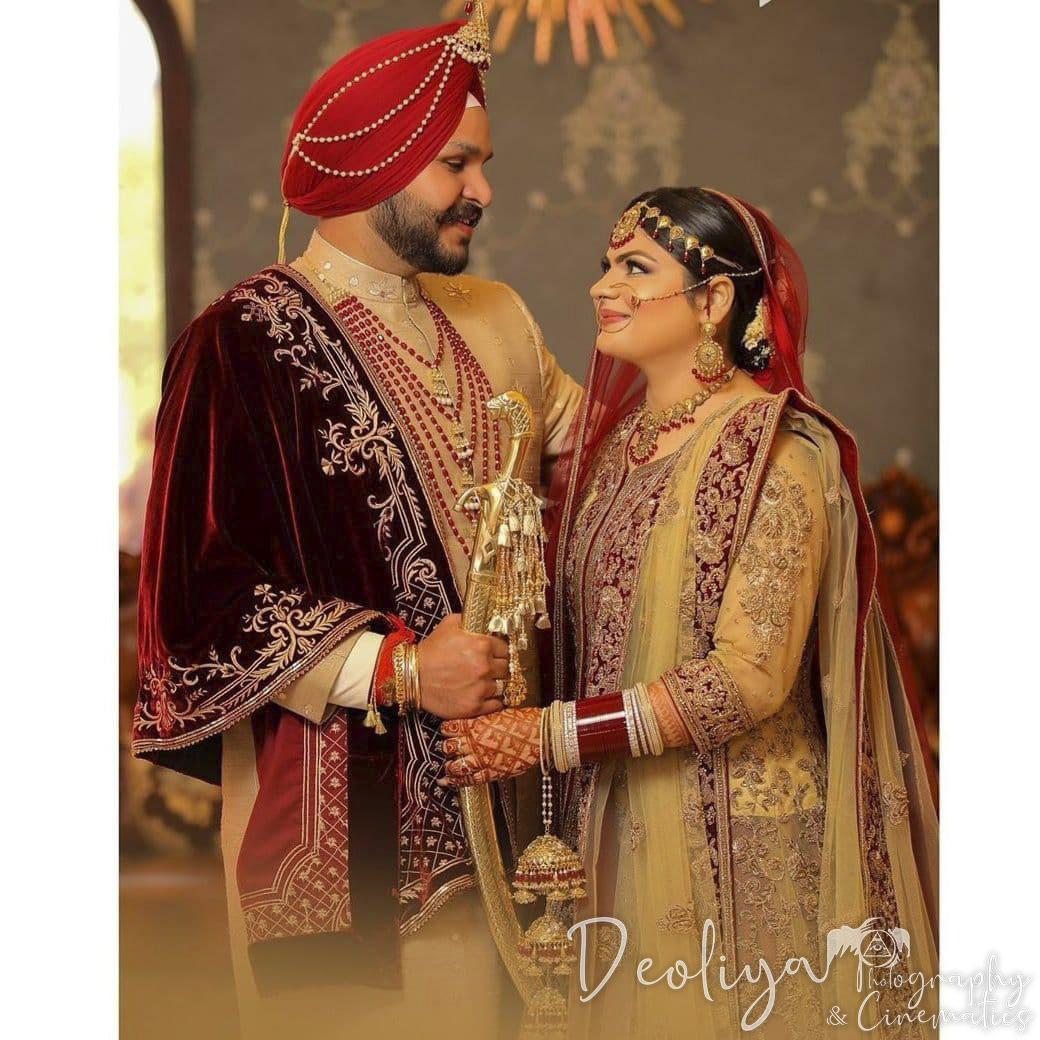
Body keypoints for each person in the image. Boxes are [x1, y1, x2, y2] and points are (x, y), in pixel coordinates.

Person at [130, 7, 581, 1039]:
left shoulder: (496, 317)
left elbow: (604, 452)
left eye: (484, 162)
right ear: (374, 160)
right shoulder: (241, 341)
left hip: (521, 802)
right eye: (457, 164)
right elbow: (199, 603)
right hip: (350, 832)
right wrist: (406, 671)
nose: (483, 190)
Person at [441, 187, 939, 1038]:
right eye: (607, 264)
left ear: (714, 301)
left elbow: (748, 680)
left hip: (742, 849)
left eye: (636, 268)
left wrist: (546, 736)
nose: (603, 286)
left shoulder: (780, 453)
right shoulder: (616, 454)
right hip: (612, 825)